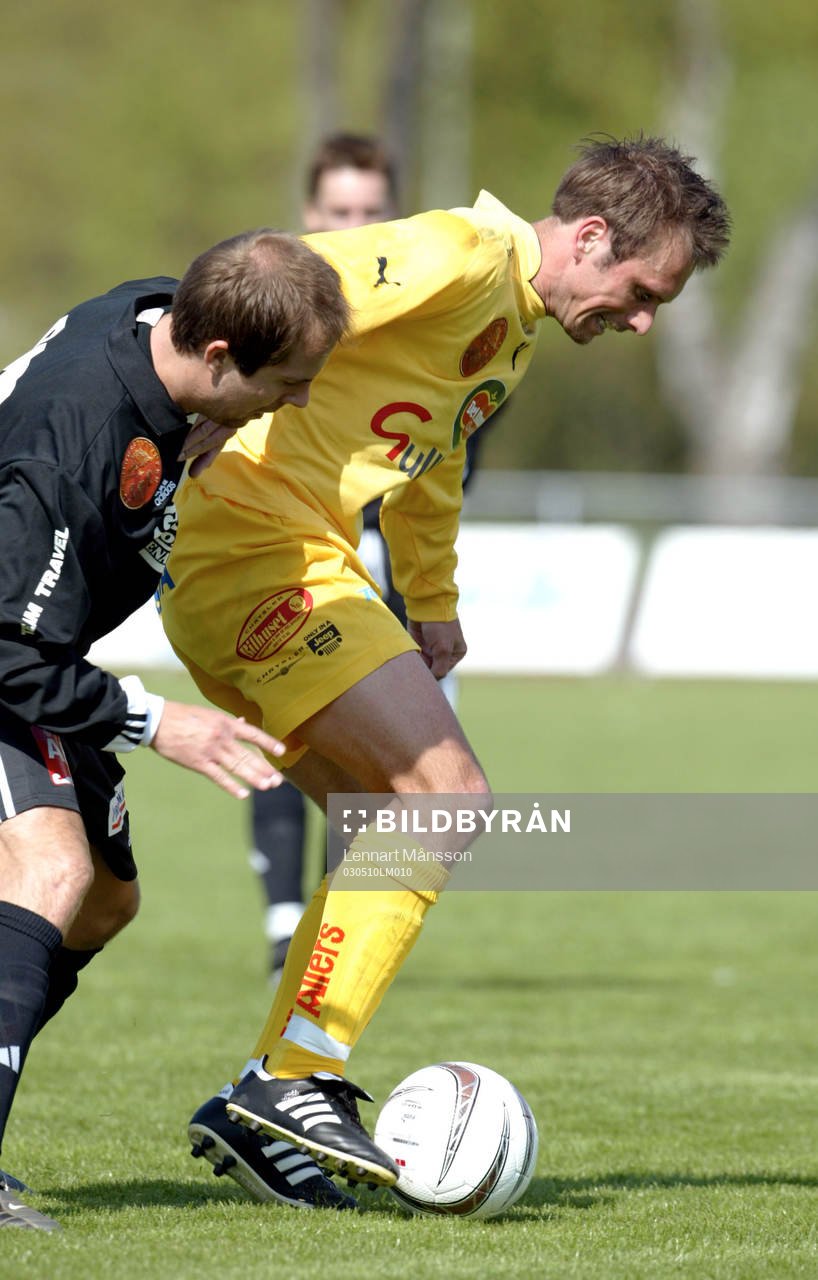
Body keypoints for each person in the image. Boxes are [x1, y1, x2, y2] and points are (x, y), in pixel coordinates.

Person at [162, 135, 731, 1191]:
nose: (641, 317)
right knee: (444, 797)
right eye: (641, 290)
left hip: (267, 563)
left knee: (385, 826)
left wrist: (430, 601)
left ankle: (267, 1098)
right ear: (591, 237)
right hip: (254, 547)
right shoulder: (460, 253)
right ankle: (296, 1072)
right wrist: (189, 399)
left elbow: (428, 460)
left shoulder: (506, 327)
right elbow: (291, 274)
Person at [0, 229, 351, 1231]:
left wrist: (209, 421)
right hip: (7, 648)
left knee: (105, 902)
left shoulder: (161, 317)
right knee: (50, 872)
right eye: (285, 382)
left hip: (33, 636)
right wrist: (158, 722)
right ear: (216, 357)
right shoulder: (67, 445)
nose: (295, 402)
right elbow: (8, 651)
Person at [252, 132, 490, 988]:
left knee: (392, 784)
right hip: (276, 550)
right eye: (339, 211)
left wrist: (431, 589)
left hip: (387, 563)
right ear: (313, 216)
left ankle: (326, 945)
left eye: (370, 211)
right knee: (332, 751)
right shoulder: (280, 318)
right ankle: (293, 929)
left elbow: (444, 453)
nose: (356, 224)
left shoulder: (434, 318)